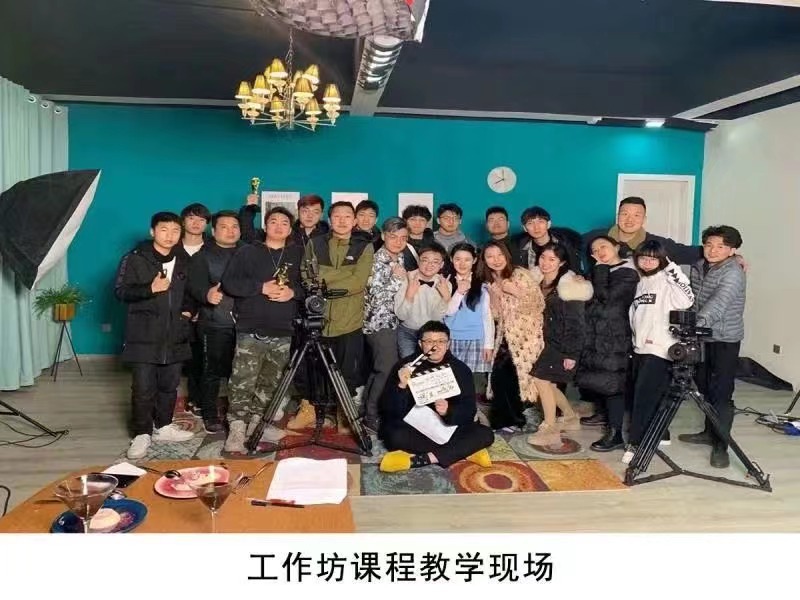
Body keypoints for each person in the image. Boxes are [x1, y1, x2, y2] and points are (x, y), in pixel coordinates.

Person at [220, 207, 304, 453]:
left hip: (283, 329)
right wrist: (260, 288)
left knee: (272, 381)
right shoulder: (247, 251)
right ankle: (237, 427)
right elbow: (229, 283)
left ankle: (258, 423)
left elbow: (309, 286)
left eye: (284, 222)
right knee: (242, 381)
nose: (279, 226)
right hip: (251, 328)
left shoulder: (298, 253)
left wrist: (293, 292)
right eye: (273, 221)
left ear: (290, 228)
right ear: (265, 226)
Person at [114, 211, 196, 460]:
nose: (170, 235)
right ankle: (142, 433)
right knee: (143, 388)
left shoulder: (184, 260)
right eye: (164, 230)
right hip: (144, 334)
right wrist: (149, 289)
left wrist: (189, 311)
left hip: (175, 334)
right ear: (152, 231)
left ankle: (163, 426)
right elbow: (120, 291)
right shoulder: (135, 258)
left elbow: (192, 292)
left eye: (175, 230)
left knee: (169, 386)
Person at [289, 201, 374, 430]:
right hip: (318, 316)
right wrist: (341, 275)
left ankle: (343, 413)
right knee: (310, 367)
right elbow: (307, 275)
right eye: (337, 216)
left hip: (349, 319)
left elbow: (358, 282)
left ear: (354, 221)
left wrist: (324, 277)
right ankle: (309, 410)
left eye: (347, 216)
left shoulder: (364, 246)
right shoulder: (315, 243)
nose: (342, 221)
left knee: (346, 370)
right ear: (330, 219)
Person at [378, 321, 495, 472]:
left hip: (449, 428)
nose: (435, 346)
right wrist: (401, 386)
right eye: (429, 341)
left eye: (441, 341)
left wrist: (449, 411)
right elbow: (388, 410)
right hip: (415, 428)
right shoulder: (404, 367)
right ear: (420, 344)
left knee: (485, 434)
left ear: (448, 344)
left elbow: (469, 409)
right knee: (394, 436)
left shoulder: (461, 369)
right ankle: (462, 451)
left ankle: (425, 458)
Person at [679, 225, 746, 469]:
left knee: (721, 393)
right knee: (704, 386)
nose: (713, 250)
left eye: (720, 246)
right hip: (703, 337)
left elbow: (718, 304)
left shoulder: (734, 272)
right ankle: (708, 432)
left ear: (732, 250)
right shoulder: (699, 266)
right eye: (709, 245)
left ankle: (721, 446)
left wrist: (695, 325)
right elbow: (692, 299)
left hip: (724, 339)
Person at [624, 239, 695, 464]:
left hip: (660, 349)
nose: (647, 262)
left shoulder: (667, 280)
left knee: (643, 398)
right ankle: (660, 433)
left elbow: (687, 300)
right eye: (643, 258)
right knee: (650, 395)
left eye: (653, 259)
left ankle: (636, 444)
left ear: (662, 260)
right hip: (640, 348)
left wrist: (671, 268)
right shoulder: (642, 282)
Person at [575, 236, 639, 452]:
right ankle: (603, 415)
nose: (599, 251)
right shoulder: (599, 271)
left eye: (603, 246)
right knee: (599, 379)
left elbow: (606, 296)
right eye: (594, 250)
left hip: (615, 337)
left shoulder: (628, 272)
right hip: (596, 335)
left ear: (617, 247)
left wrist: (599, 269)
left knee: (613, 383)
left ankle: (615, 433)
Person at [527, 243, 592, 446]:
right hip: (543, 341)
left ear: (561, 262)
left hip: (561, 343)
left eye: (552, 259)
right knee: (549, 384)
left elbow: (577, 324)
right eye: (543, 258)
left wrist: (571, 354)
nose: (545, 263)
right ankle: (570, 417)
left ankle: (550, 428)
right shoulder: (535, 280)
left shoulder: (571, 286)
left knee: (540, 380)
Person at [479, 241, 545, 431]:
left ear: (506, 255)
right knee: (500, 376)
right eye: (490, 256)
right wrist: (494, 295)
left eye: (499, 255)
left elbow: (538, 304)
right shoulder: (490, 280)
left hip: (526, 336)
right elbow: (497, 315)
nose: (496, 260)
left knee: (522, 378)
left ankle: (525, 418)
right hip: (505, 336)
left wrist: (513, 290)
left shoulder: (520, 274)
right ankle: (505, 421)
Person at [186, 210, 242, 434]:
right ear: (214, 230)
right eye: (224, 227)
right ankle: (210, 413)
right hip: (214, 321)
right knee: (211, 370)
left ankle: (239, 413)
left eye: (234, 226)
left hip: (246, 322)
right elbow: (193, 286)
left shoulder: (248, 252)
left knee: (241, 370)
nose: (230, 231)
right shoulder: (202, 256)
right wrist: (206, 294)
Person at [361, 217, 409, 432]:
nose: (398, 242)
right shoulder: (375, 260)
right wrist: (398, 279)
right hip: (379, 323)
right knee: (387, 369)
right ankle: (372, 417)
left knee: (380, 368)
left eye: (403, 238)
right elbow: (375, 297)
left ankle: (366, 410)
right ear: (383, 236)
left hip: (395, 321)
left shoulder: (400, 258)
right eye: (393, 237)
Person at [582, 197, 702, 267]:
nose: (629, 220)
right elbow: (571, 246)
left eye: (636, 215)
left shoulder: (656, 244)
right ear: (618, 216)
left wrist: (711, 247)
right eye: (625, 214)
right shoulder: (596, 237)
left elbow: (688, 252)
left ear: (644, 219)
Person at [178, 203, 211, 417]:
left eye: (201, 219)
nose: (196, 223)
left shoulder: (212, 248)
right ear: (183, 221)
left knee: (201, 359)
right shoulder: (172, 247)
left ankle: (197, 398)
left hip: (205, 311)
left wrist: (201, 308)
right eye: (191, 218)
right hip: (176, 311)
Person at [444, 242, 494, 376]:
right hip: (451, 340)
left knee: (474, 382)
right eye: (458, 259)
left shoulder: (483, 285)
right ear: (451, 259)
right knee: (451, 380)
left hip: (476, 340)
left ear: (474, 260)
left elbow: (487, 317)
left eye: (467, 259)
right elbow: (447, 312)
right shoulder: (445, 283)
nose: (462, 264)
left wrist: (488, 345)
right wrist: (459, 292)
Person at [394, 242, 451, 359]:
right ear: (418, 261)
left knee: (431, 365)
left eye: (435, 262)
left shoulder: (445, 284)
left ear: (441, 265)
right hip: (407, 332)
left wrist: (445, 298)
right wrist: (409, 295)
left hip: (432, 335)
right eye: (425, 260)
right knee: (409, 366)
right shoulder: (406, 279)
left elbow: (436, 317)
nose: (429, 265)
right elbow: (401, 315)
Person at [238, 193, 329, 247]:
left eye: (315, 212)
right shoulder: (284, 231)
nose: (310, 215)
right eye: (305, 211)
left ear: (321, 214)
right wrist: (249, 209)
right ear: (297, 212)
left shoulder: (328, 235)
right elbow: (248, 236)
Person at [516, 206, 582, 273]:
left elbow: (576, 270)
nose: (536, 227)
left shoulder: (566, 243)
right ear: (524, 228)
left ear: (549, 224)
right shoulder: (519, 246)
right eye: (530, 223)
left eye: (540, 221)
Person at [401, 204, 435, 270]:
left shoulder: (434, 243)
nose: (417, 223)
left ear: (427, 223)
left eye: (422, 220)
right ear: (405, 221)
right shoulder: (398, 243)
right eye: (412, 219)